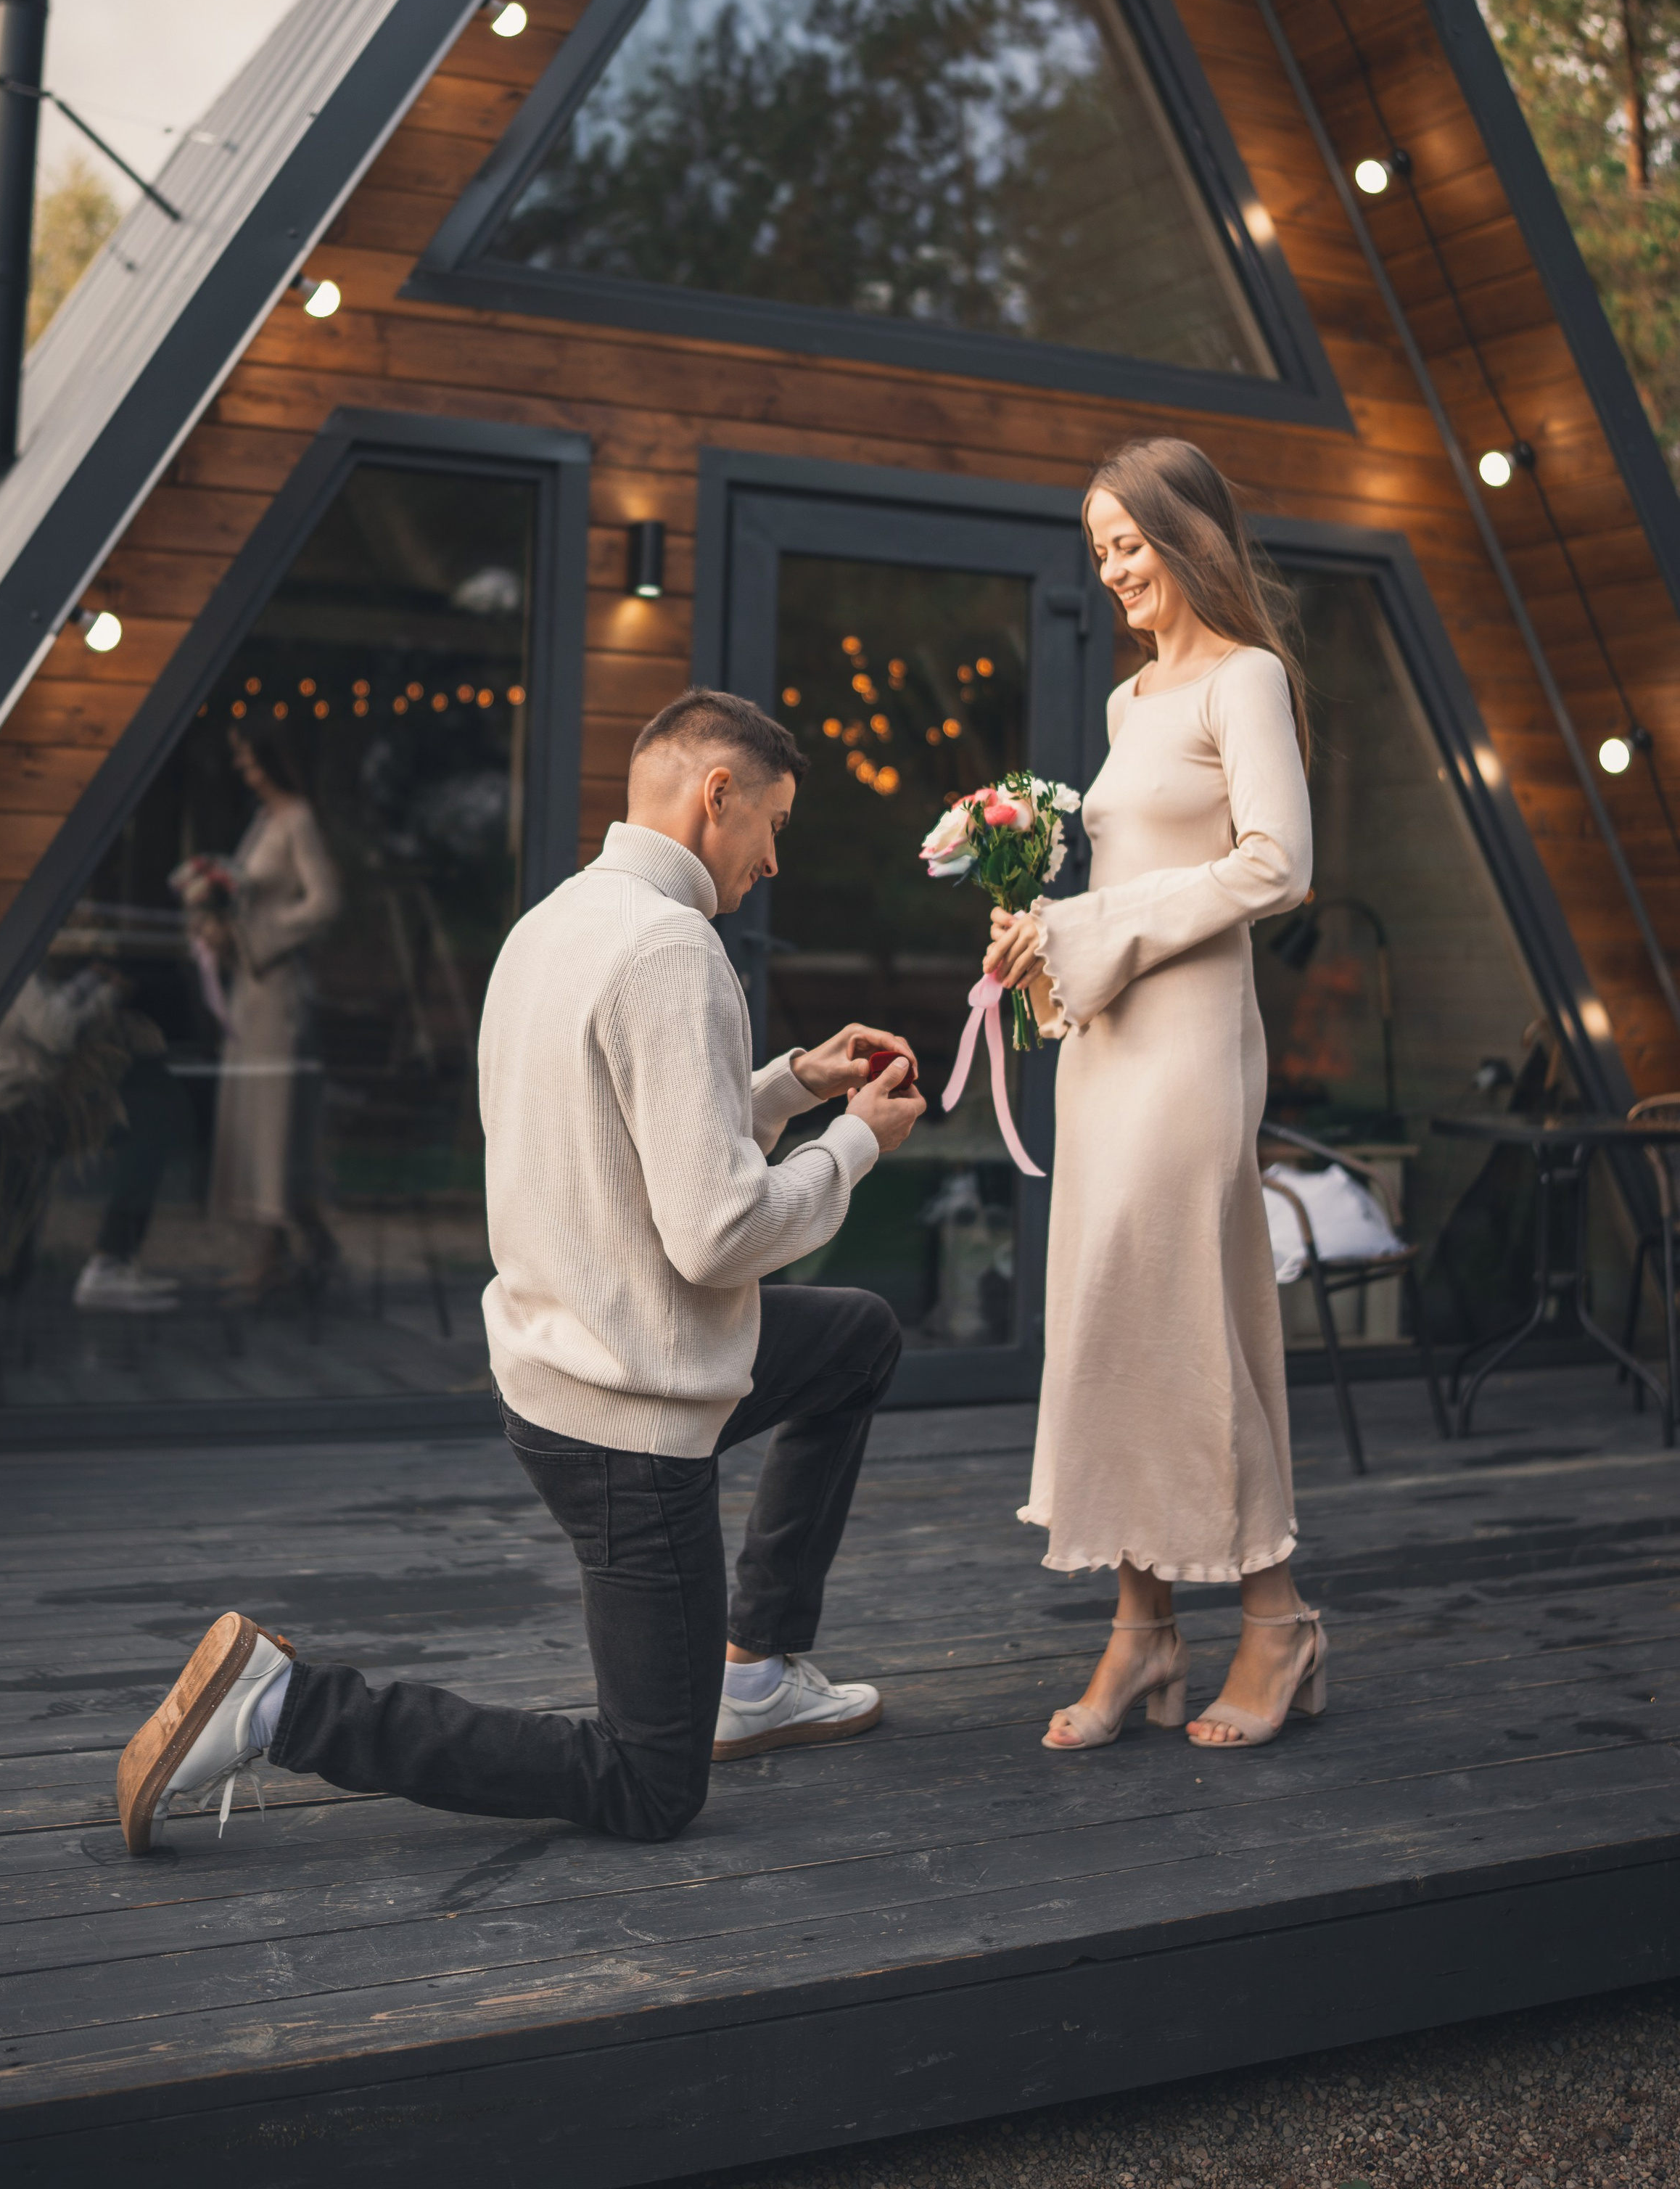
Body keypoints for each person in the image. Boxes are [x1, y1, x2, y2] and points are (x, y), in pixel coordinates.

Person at [115, 688, 924, 1854]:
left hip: (570, 1364)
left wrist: (797, 1083)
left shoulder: (555, 924)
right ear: (717, 796)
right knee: (652, 1785)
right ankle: (290, 1708)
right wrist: (858, 1145)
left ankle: (753, 1674)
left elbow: (627, 1134)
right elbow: (718, 1234)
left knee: (855, 1337)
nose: (774, 860)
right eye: (773, 825)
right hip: (626, 1424)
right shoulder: (673, 949)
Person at [985, 438, 1319, 1753]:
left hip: (1190, 1056)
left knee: (1191, 1318)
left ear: (1191, 540)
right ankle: (1144, 1633)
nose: (1114, 568)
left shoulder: (1247, 682)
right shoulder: (1130, 708)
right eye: (1100, 549)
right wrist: (1042, 943)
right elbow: (1117, 903)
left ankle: (1277, 1618)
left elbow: (1278, 866)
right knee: (1108, 1319)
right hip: (1106, 1052)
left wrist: (1096, 925)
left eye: (1129, 543)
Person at [200, 718, 342, 1304]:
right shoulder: (263, 821)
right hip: (248, 994)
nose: (243, 770)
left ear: (272, 760)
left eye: (250, 760)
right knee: (251, 1122)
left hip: (277, 993)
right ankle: (284, 1256)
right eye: (239, 760)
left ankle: (282, 1257)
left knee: (273, 1127)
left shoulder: (297, 820)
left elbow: (325, 901)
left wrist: (262, 936)